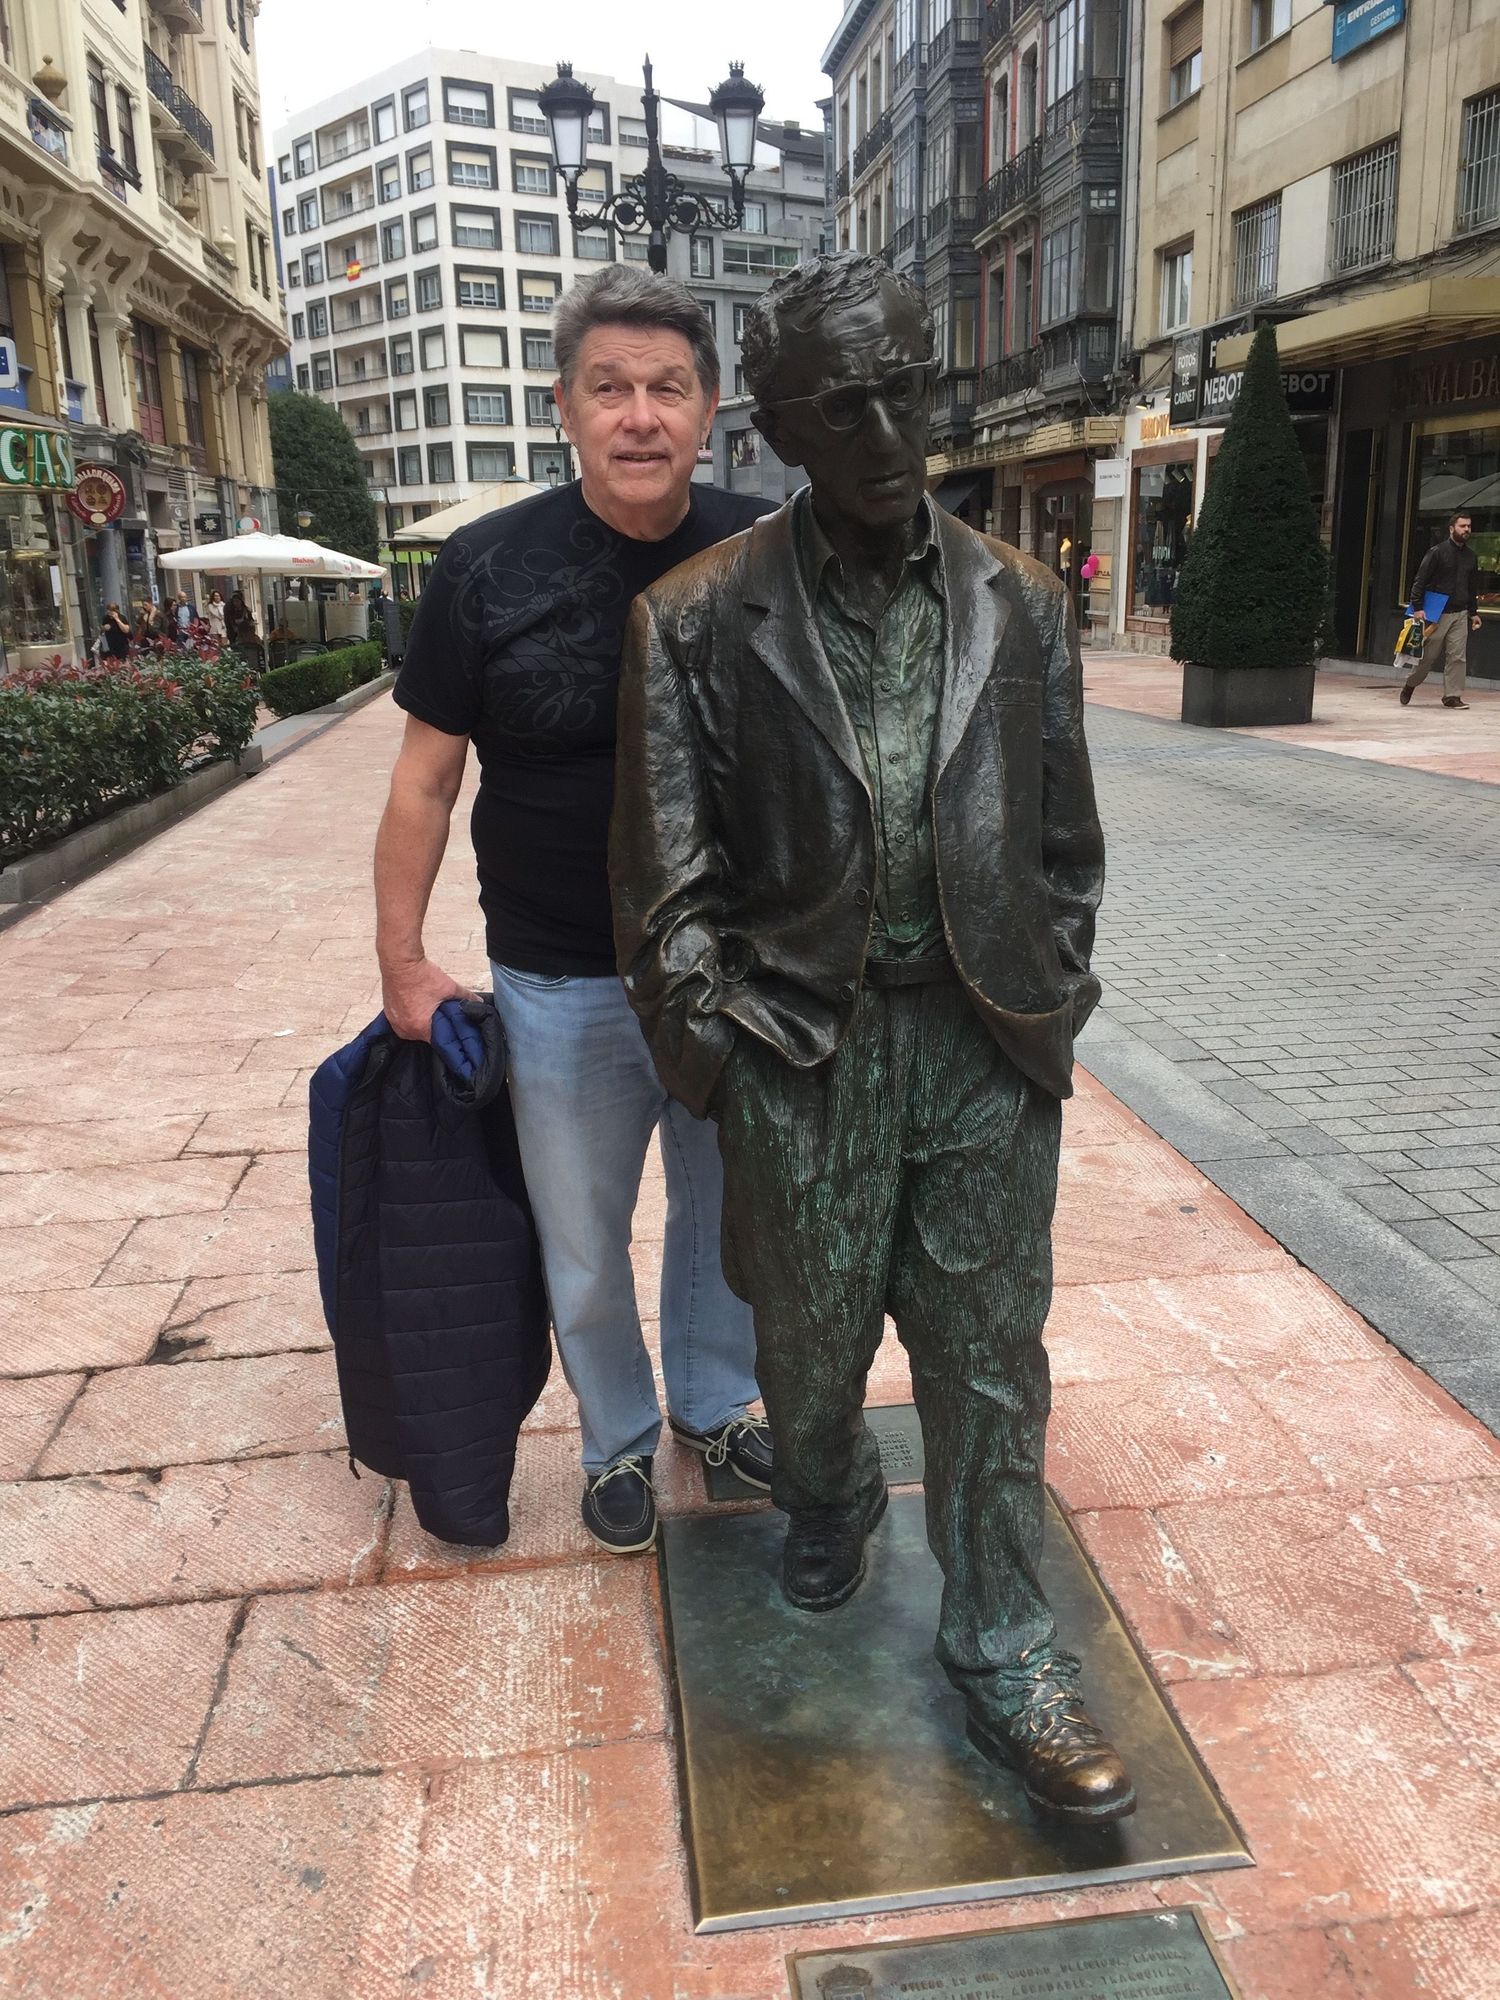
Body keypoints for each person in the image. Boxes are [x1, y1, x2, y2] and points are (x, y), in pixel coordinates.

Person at [611, 253, 1129, 1824]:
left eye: (909, 389)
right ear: (779, 426)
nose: (893, 432)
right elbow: (662, 886)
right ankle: (828, 1492)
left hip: (980, 1044)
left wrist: (1051, 994)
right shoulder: (694, 620)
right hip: (803, 1050)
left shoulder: (1022, 602)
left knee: (987, 1363)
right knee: (813, 1359)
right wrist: (726, 1058)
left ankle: (1006, 1647)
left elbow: (1066, 847)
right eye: (849, 406)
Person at [375, 266, 777, 1557]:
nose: (640, 415)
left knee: (734, 1216)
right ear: (564, 406)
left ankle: (714, 1402)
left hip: (736, 970)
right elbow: (425, 780)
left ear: (709, 409)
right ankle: (616, 1438)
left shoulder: (774, 553)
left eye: (668, 387)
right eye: (610, 387)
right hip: (561, 979)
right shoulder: (485, 568)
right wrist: (403, 960)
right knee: (585, 1238)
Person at [1402, 509, 1482, 710]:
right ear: (1451, 528)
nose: (1466, 529)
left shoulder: (1471, 557)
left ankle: (1452, 696)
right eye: (1462, 526)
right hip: (1437, 614)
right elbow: (1420, 580)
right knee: (1428, 656)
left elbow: (1472, 587)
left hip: (1461, 613)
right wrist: (1418, 607)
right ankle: (1411, 683)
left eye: (1469, 526)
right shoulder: (1437, 552)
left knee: (1457, 656)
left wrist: (1473, 613)